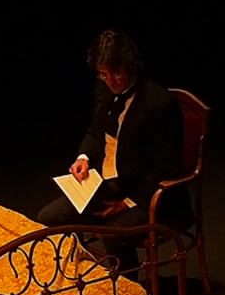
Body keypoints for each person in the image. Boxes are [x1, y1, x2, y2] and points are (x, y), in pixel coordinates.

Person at [35, 29, 190, 262]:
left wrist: (127, 203)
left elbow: (166, 166)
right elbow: (94, 132)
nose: (109, 81)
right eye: (103, 75)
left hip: (146, 193)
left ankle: (131, 292)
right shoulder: (104, 89)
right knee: (48, 217)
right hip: (108, 184)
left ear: (131, 66)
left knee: (113, 234)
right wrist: (83, 157)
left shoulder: (158, 103)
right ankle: (80, 280)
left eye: (115, 74)